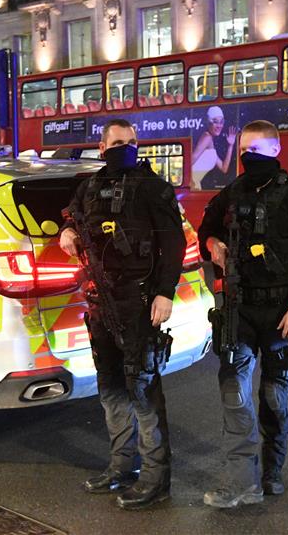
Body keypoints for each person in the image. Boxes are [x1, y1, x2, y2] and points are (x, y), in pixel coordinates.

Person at [197, 120, 288, 508]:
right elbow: (205, 228)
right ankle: (243, 482)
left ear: (275, 151)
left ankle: (271, 472)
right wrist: (213, 243)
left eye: (255, 148)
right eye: (243, 148)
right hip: (239, 311)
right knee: (234, 395)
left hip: (281, 314)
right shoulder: (232, 193)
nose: (246, 155)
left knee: (274, 397)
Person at [59, 118, 186, 510]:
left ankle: (156, 477)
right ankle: (121, 467)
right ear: (102, 147)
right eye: (117, 142)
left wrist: (165, 294)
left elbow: (174, 243)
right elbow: (71, 217)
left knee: (144, 391)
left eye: (131, 142)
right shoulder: (90, 187)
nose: (125, 147)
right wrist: (65, 232)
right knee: (111, 389)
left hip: (140, 302)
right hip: (100, 304)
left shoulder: (153, 188)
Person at [191, 106, 237, 190]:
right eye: (215, 122)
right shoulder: (207, 137)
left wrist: (230, 145)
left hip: (196, 185)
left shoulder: (210, 143)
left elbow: (224, 168)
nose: (219, 126)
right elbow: (192, 159)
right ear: (209, 122)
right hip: (193, 184)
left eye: (221, 122)